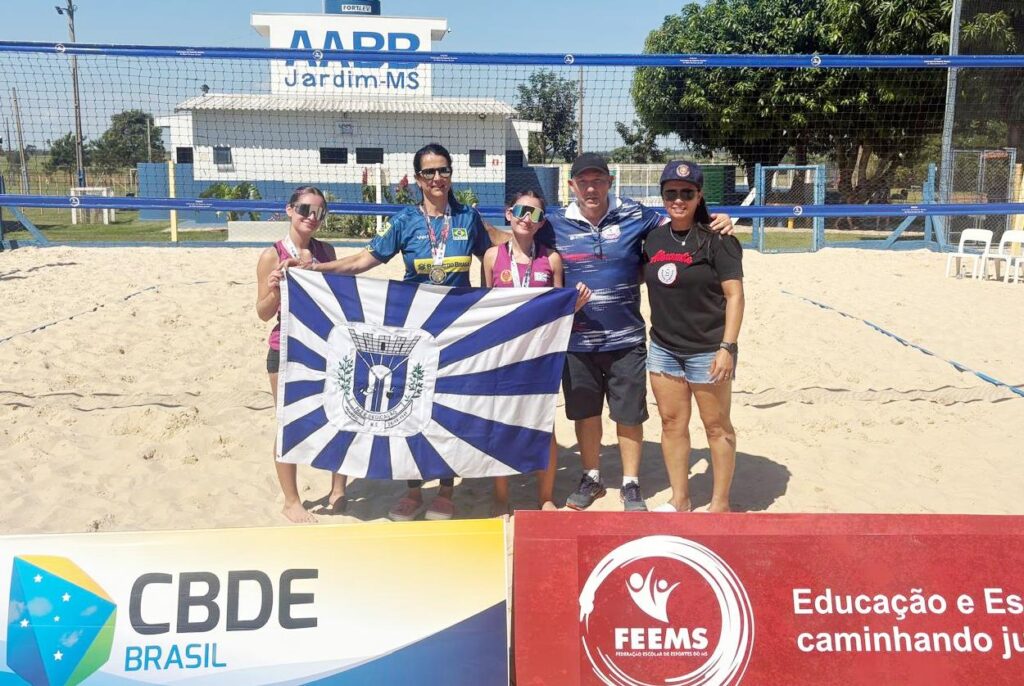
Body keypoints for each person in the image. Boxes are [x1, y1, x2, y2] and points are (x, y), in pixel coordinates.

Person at [291, 142, 495, 522]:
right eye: (429, 172)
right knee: (411, 408)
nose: (438, 178)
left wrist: (546, 242)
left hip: (454, 329)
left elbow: (500, 250)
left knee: (448, 412)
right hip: (413, 330)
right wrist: (316, 271)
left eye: (444, 170)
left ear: (452, 174)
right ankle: (413, 490)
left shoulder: (468, 218)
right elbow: (363, 261)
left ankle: (446, 492)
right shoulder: (405, 221)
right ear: (418, 179)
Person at [536, 153, 734, 512]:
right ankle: (591, 476)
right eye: (584, 182)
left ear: (610, 182)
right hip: (577, 340)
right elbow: (515, 237)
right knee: (585, 413)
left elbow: (681, 223)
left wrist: (718, 218)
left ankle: (630, 484)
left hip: (626, 338)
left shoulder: (636, 215)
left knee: (629, 415)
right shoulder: (553, 223)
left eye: (598, 180)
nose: (591, 187)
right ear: (572, 186)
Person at [482, 190, 591, 515]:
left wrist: (575, 305)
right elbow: (483, 309)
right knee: (501, 424)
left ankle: (545, 496)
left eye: (535, 214)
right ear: (508, 213)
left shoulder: (551, 259)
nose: (527, 218)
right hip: (503, 353)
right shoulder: (492, 257)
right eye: (521, 210)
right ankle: (501, 496)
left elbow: (559, 310)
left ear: (542, 222)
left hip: (541, 355)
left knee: (544, 425)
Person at [645, 161, 744, 513]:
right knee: (672, 424)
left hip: (707, 349)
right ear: (663, 196)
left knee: (716, 427)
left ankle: (720, 504)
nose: (678, 199)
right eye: (671, 192)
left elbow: (734, 296)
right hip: (663, 349)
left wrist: (727, 347)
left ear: (699, 195)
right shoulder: (653, 239)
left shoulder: (719, 239)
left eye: (687, 192)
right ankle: (680, 499)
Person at [257, 186, 347, 523]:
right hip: (285, 349)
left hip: (325, 348)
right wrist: (276, 289)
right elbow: (263, 313)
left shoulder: (326, 251)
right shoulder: (272, 254)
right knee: (288, 423)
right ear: (290, 210)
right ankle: (291, 500)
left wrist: (316, 273)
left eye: (319, 212)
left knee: (339, 417)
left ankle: (339, 489)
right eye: (305, 209)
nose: (311, 217)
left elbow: (338, 303)